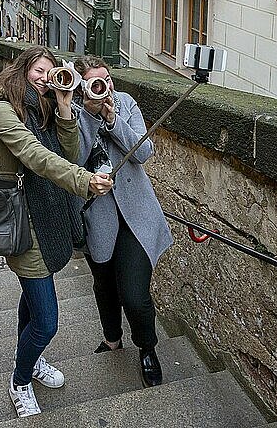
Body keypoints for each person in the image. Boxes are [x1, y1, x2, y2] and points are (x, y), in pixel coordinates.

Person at [0, 46, 113, 419]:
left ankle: (29, 361)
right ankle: (20, 380)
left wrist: (65, 105)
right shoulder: (3, 110)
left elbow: (67, 152)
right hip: (24, 221)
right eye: (38, 70)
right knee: (47, 321)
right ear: (22, 70)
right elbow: (36, 156)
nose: (43, 78)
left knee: (32, 301)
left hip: (48, 214)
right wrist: (83, 181)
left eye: (49, 72)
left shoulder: (46, 105)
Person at [73, 55, 173, 389]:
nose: (105, 87)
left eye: (108, 79)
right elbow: (73, 158)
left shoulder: (126, 104)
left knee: (134, 295)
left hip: (136, 216)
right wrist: (89, 113)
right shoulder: (72, 111)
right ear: (83, 84)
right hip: (97, 218)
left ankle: (147, 348)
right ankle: (113, 338)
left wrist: (113, 119)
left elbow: (144, 153)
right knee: (103, 285)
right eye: (96, 81)